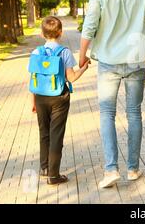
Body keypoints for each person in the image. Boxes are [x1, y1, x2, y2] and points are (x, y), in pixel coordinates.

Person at [79, 0, 145, 188]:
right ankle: (133, 169)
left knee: (107, 114)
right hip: (136, 58)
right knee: (134, 113)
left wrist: (81, 56)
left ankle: (111, 169)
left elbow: (90, 26)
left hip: (108, 61)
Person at [30, 16, 89, 185]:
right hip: (59, 98)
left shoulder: (36, 52)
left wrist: (32, 101)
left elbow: (32, 78)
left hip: (40, 96)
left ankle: (44, 168)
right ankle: (54, 176)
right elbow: (71, 78)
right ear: (61, 33)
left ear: (42, 34)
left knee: (44, 132)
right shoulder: (64, 52)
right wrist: (84, 67)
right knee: (56, 134)